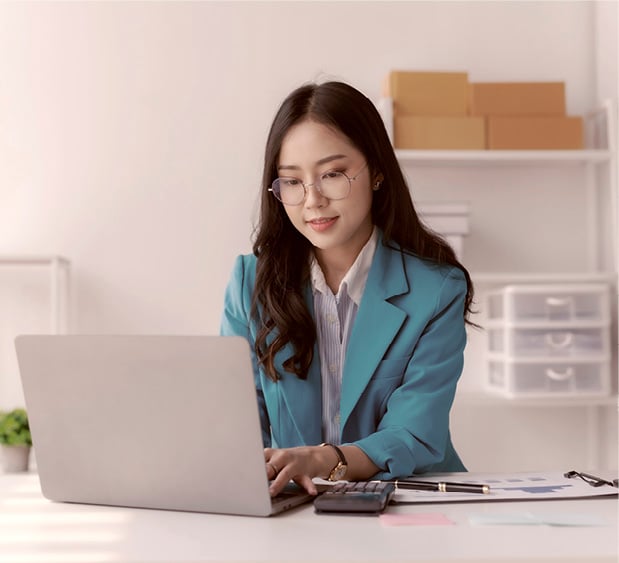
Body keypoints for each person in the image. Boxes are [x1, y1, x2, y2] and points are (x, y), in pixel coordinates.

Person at [220, 80, 476, 497]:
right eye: (292, 181)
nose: (312, 200)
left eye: (333, 174)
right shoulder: (250, 282)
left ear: (376, 172)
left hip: (411, 501)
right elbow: (236, 423)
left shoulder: (436, 289)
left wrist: (323, 459)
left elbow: (414, 433)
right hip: (293, 504)